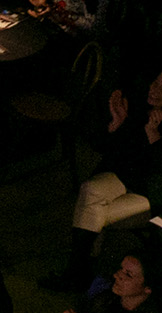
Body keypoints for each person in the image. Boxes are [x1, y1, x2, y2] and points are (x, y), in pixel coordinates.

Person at [53, 66, 162, 293]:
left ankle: (76, 273)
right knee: (90, 189)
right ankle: (82, 272)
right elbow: (111, 151)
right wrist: (117, 124)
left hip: (150, 194)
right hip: (125, 177)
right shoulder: (143, 108)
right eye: (155, 82)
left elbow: (156, 179)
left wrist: (154, 139)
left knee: (92, 210)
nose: (155, 90)